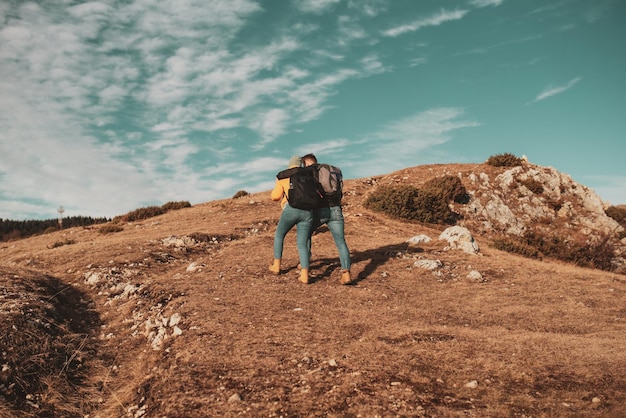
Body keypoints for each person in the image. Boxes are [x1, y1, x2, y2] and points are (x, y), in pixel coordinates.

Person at [302, 153, 352, 285]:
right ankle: (346, 273)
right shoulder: (330, 171)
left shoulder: (312, 171)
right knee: (341, 242)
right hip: (336, 210)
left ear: (307, 163)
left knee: (305, 233)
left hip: (321, 211)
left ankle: (305, 265)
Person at [269, 155, 314, 284]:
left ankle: (276, 266)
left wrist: (278, 185)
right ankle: (304, 274)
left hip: (291, 210)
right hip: (308, 212)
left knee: (279, 235)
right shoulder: (309, 175)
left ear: (290, 164)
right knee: (302, 243)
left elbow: (275, 196)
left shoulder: (285, 176)